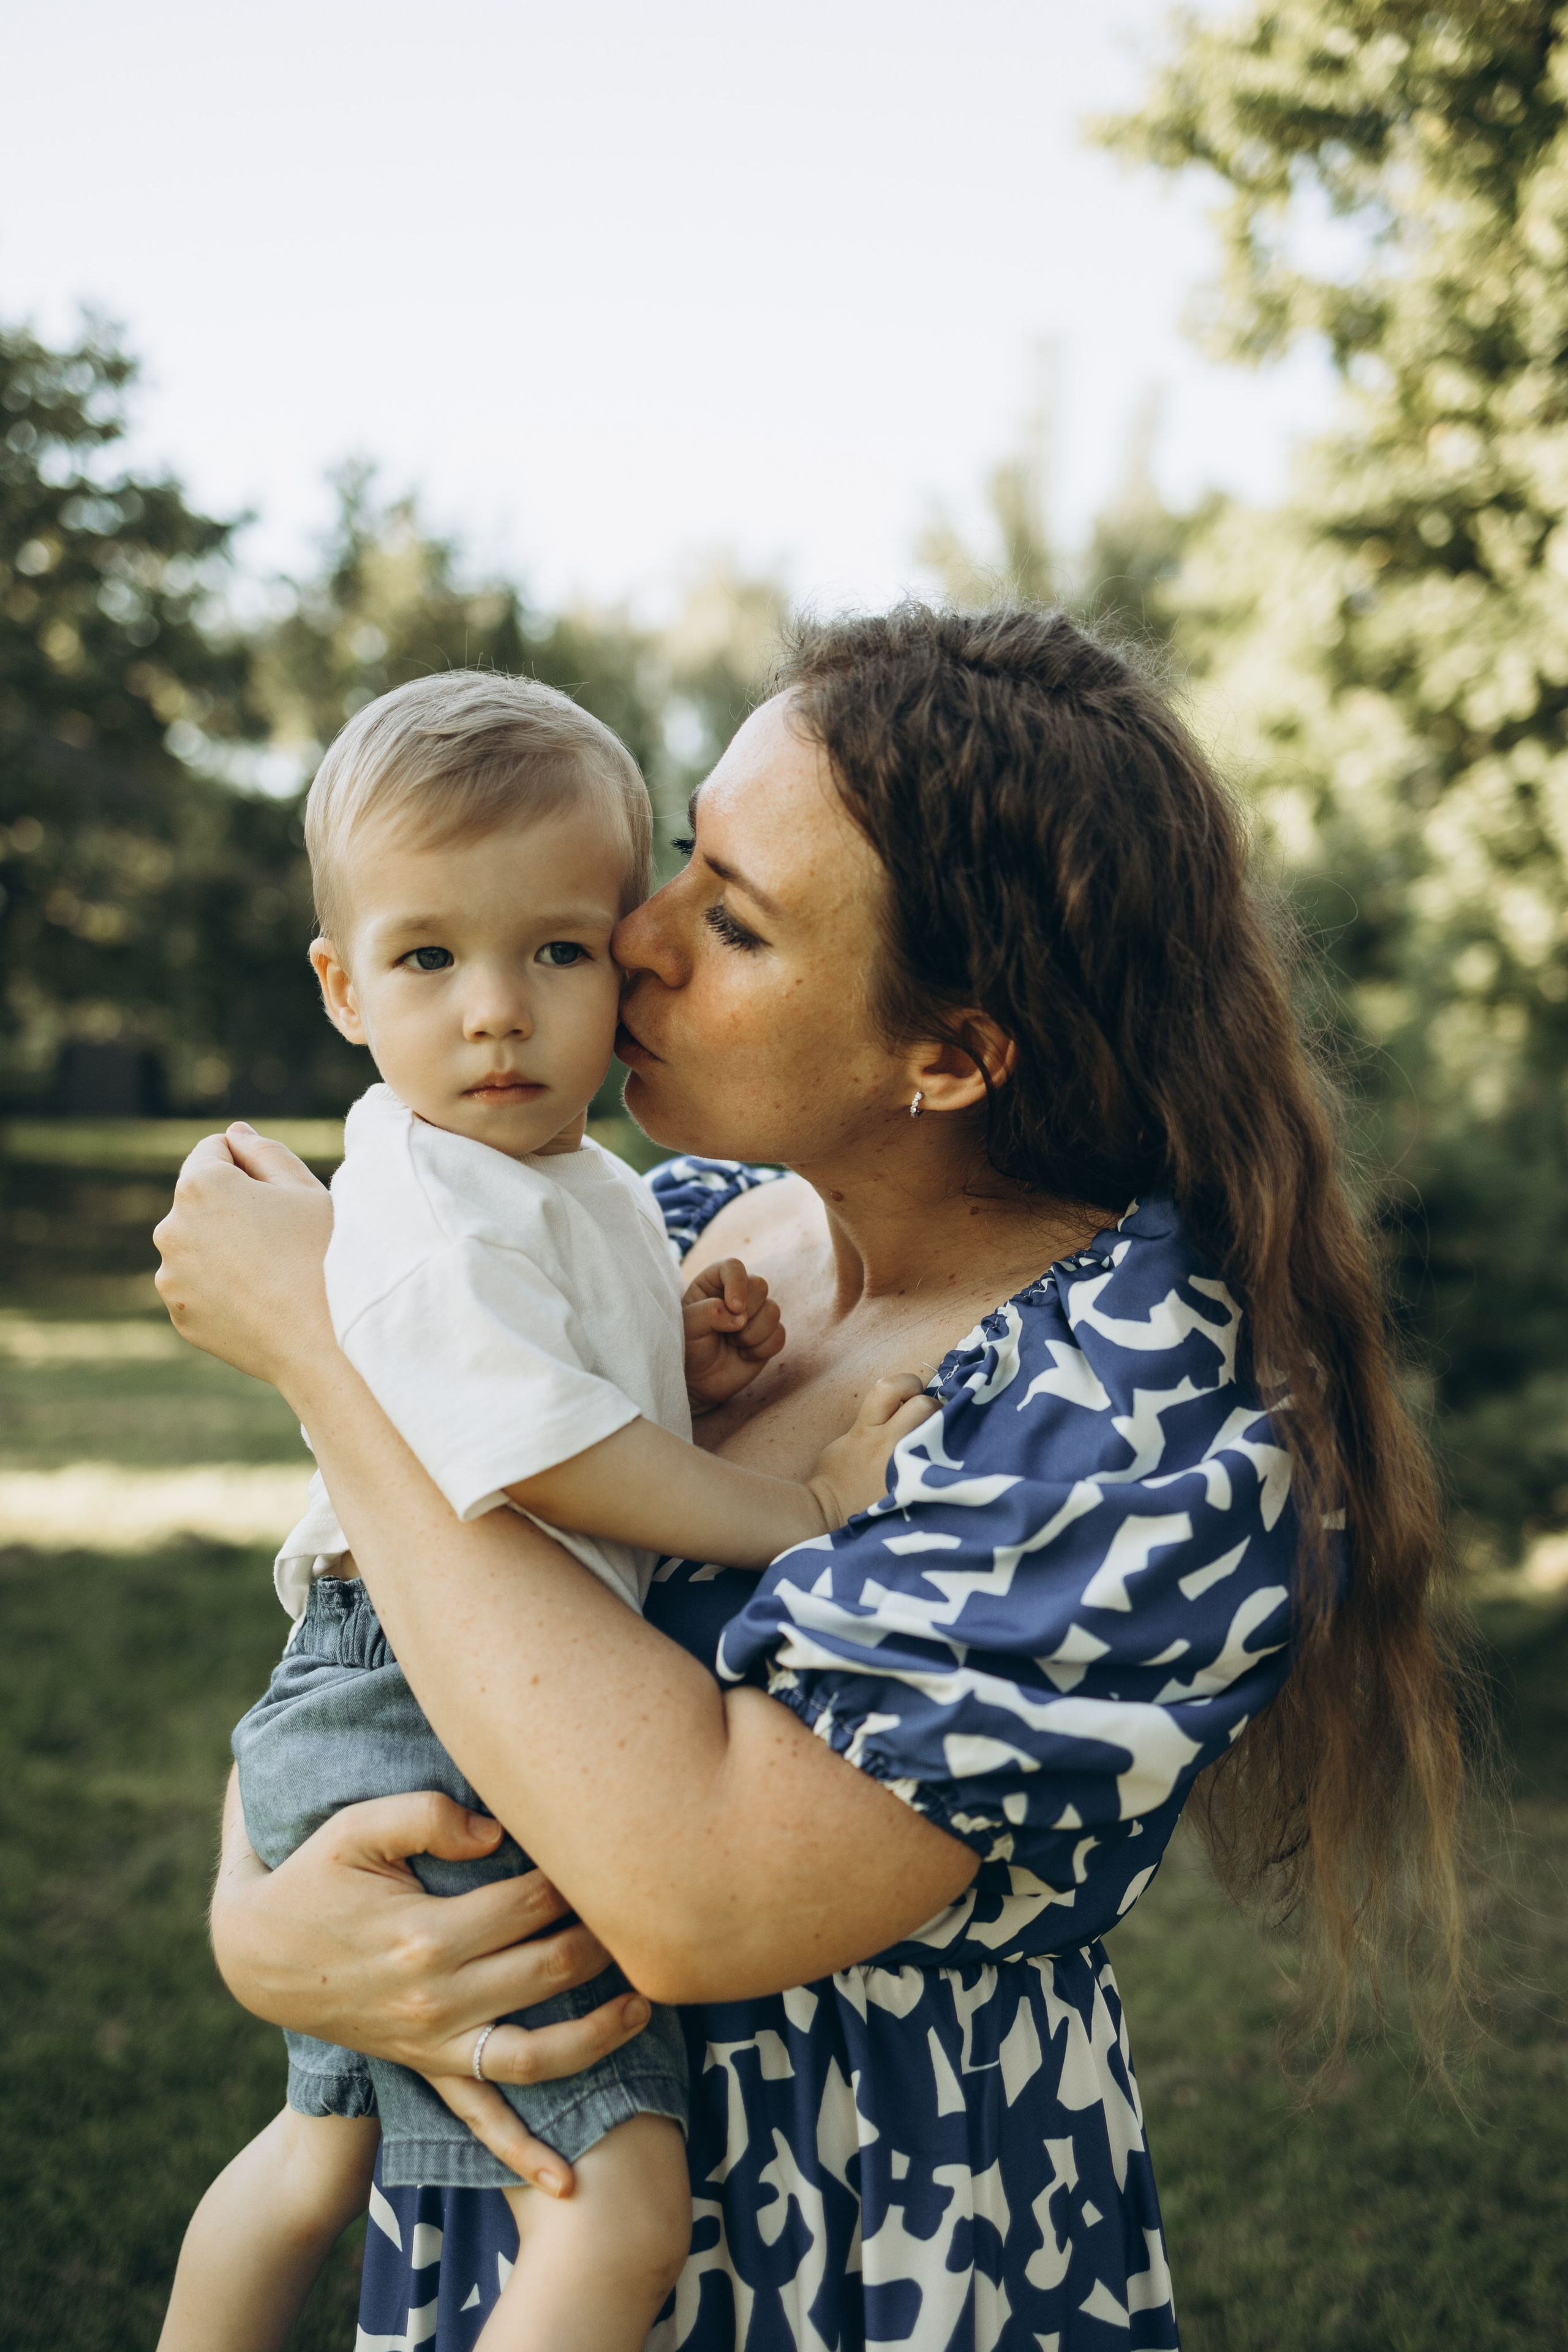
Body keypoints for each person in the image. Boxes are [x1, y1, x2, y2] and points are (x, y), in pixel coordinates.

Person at [153, 607, 1467, 2351]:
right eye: (686, 858)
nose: (640, 937)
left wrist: (323, 1354)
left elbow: (698, 1896)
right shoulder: (691, 1241)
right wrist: (270, 1934)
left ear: (953, 1054)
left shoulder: (1139, 1415)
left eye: (737, 918)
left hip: (858, 2243)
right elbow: (385, 1643)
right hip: (527, 2179)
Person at [157, 672, 929, 2352]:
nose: (497, 1013)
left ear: (619, 956)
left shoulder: (576, 1182)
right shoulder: (424, 1196)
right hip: (410, 1700)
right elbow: (542, 1459)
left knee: (318, 2147)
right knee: (616, 2209)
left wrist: (682, 1349)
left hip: (417, 1671)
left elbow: (568, 1384)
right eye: (431, 959)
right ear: (343, 986)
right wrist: (790, 1505)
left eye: (556, 952)